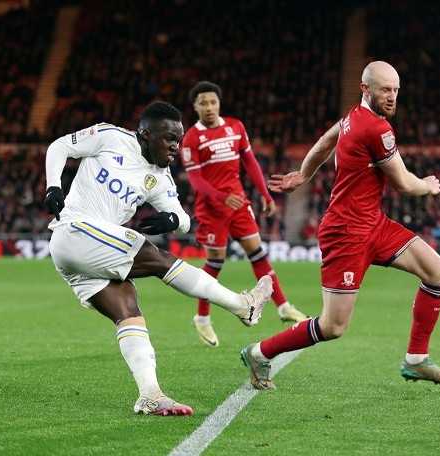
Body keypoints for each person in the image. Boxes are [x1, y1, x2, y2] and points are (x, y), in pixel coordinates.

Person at [240, 61, 440, 390]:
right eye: (385, 90)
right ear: (365, 89)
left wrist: (303, 174)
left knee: (438, 272)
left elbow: (323, 143)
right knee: (333, 326)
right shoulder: (377, 129)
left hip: (374, 224)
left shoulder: (351, 118)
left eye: (396, 91)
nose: (392, 97)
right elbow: (403, 183)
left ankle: (416, 359)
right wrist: (427, 184)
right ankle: (259, 352)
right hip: (346, 232)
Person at [44, 101, 272, 416]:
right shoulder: (111, 136)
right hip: (73, 230)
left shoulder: (159, 177)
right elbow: (59, 147)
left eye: (178, 140)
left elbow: (184, 220)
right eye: (168, 139)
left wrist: (171, 222)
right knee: (152, 255)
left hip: (84, 256)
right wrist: (53, 186)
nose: (175, 147)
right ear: (146, 134)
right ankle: (241, 305)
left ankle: (150, 394)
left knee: (128, 308)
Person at [180, 81, 308, 348]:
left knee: (258, 253)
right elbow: (196, 180)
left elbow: (249, 161)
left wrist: (265, 193)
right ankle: (202, 318)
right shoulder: (192, 138)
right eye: (203, 103)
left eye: (213, 102)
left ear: (219, 103)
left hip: (238, 204)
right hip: (213, 209)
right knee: (215, 264)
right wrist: (220, 196)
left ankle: (283, 306)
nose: (209, 107)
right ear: (195, 106)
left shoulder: (235, 127)